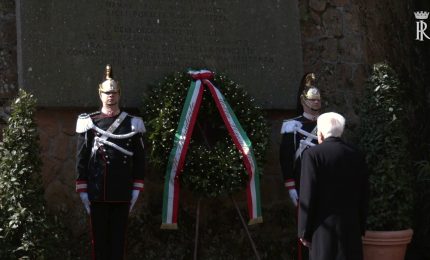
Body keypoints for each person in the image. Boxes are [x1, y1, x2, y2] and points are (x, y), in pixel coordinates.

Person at [75, 64, 146, 260]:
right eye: (107, 93)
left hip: (122, 191)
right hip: (98, 191)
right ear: (100, 94)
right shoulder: (89, 122)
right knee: (99, 241)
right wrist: (82, 188)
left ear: (119, 94)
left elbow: (139, 159)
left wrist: (136, 188)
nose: (110, 96)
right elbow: (81, 157)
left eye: (114, 93)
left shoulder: (133, 123)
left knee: (118, 240)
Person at [298, 112, 369, 260]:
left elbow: (307, 195)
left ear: (321, 133)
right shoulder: (357, 154)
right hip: (351, 228)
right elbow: (364, 194)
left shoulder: (312, 155)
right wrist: (361, 227)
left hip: (322, 229)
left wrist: (304, 231)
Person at [279, 72, 321, 207]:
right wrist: (290, 186)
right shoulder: (292, 126)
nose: (316, 102)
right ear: (303, 101)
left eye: (318, 99)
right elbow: (285, 157)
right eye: (312, 99)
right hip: (303, 178)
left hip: (325, 177)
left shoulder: (326, 122)